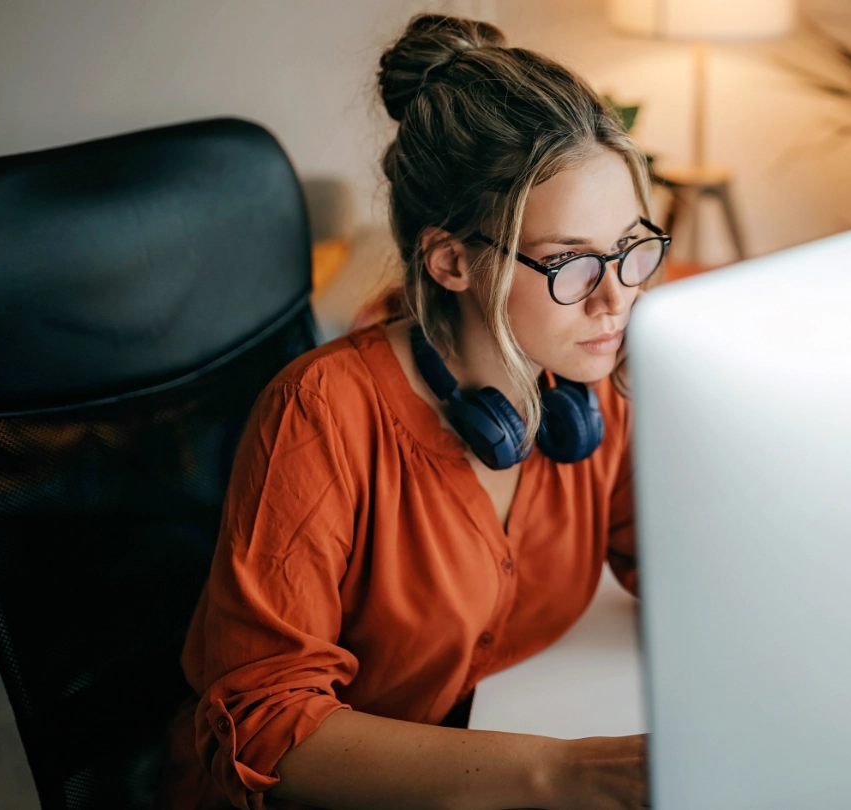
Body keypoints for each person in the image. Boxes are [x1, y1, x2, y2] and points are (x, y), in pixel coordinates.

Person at [161, 14, 662, 810]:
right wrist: (564, 773)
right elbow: (264, 728)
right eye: (571, 262)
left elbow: (679, 564)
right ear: (452, 259)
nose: (617, 297)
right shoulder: (323, 413)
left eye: (634, 247)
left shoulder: (587, 379)